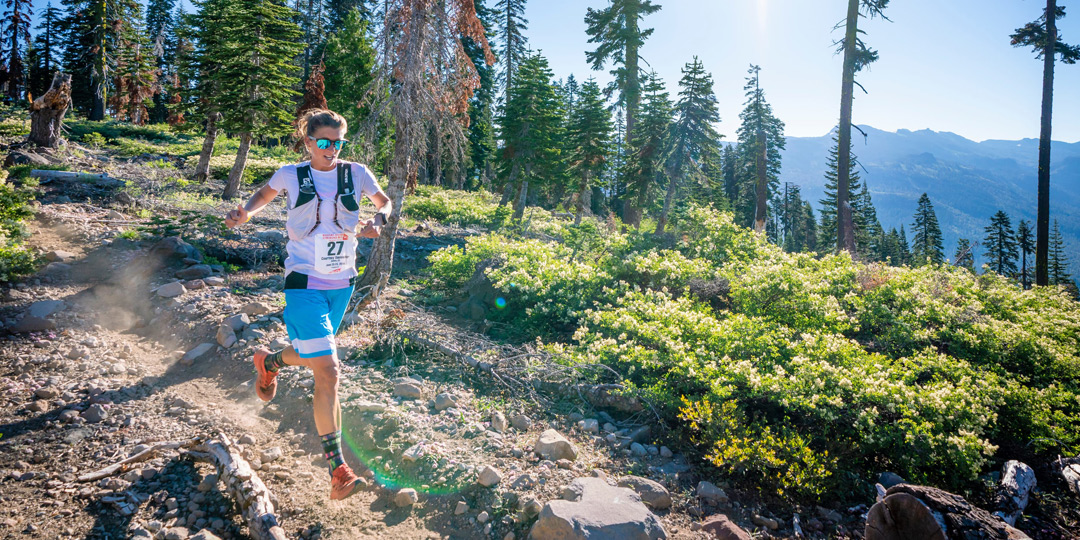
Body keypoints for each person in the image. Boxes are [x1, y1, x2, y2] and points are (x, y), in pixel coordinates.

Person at [224, 109, 392, 501]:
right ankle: (338, 468)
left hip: (342, 282)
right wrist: (245, 212)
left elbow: (384, 202)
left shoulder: (358, 172)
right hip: (303, 281)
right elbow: (264, 194)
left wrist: (377, 222)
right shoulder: (290, 174)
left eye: (337, 142)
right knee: (329, 370)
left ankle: (270, 364)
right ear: (308, 143)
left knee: (313, 355)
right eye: (323, 142)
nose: (331, 149)